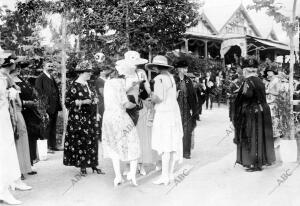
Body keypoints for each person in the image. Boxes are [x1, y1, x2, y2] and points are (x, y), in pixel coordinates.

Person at [102, 59, 141, 187]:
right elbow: (125, 103)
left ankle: (118, 177)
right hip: (120, 117)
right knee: (132, 143)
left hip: (108, 118)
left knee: (114, 146)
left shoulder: (107, 83)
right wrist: (135, 104)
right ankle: (133, 176)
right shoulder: (120, 82)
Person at [145, 55, 183, 185]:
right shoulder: (171, 78)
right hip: (172, 111)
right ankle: (170, 174)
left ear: (156, 67)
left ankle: (165, 176)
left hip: (163, 112)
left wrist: (151, 97)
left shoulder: (159, 79)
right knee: (171, 144)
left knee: (165, 144)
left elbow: (159, 98)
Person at [0, 54, 32, 205]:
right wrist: (9, 94)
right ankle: (4, 189)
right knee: (4, 152)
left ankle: (9, 184)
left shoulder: (3, 76)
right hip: (3, 116)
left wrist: (8, 94)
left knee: (7, 151)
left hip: (6, 115)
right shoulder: (3, 76)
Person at [63, 60, 104, 176]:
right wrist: (82, 101)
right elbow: (67, 103)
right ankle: (82, 165)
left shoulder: (88, 84)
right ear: (81, 72)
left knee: (92, 140)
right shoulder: (74, 85)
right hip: (78, 118)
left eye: (90, 71)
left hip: (90, 117)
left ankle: (93, 164)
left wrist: (95, 105)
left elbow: (95, 98)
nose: (90, 74)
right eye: (87, 72)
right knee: (82, 141)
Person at [233, 59, 275, 172]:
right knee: (260, 136)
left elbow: (247, 95)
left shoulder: (248, 81)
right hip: (262, 111)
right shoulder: (260, 80)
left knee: (252, 137)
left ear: (246, 70)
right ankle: (259, 161)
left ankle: (254, 164)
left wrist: (239, 97)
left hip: (252, 112)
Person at [9, 66, 37, 180]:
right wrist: (26, 103)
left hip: (27, 114)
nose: (18, 68)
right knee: (17, 140)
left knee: (27, 139)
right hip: (17, 112)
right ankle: (18, 170)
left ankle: (27, 166)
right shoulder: (8, 80)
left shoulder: (20, 79)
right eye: (17, 66)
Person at [35, 62, 62, 153]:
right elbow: (39, 93)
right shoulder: (40, 78)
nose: (50, 67)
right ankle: (45, 147)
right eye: (48, 66)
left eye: (51, 66)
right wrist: (43, 107)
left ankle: (53, 145)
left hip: (54, 106)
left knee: (53, 126)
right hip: (46, 106)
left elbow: (56, 91)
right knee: (46, 126)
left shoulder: (51, 77)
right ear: (44, 67)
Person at [174, 59, 198, 159]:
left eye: (186, 68)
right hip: (176, 108)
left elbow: (192, 95)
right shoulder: (174, 79)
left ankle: (186, 152)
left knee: (187, 129)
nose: (185, 70)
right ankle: (176, 151)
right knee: (175, 129)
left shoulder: (188, 80)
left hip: (186, 108)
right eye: (183, 68)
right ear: (178, 69)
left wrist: (194, 108)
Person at [265, 66, 282, 163]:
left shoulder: (277, 80)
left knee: (274, 121)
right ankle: (273, 140)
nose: (268, 73)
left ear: (273, 72)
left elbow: (278, 92)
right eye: (267, 72)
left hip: (274, 103)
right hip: (269, 103)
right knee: (271, 121)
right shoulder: (270, 81)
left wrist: (268, 91)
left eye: (270, 71)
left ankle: (277, 139)